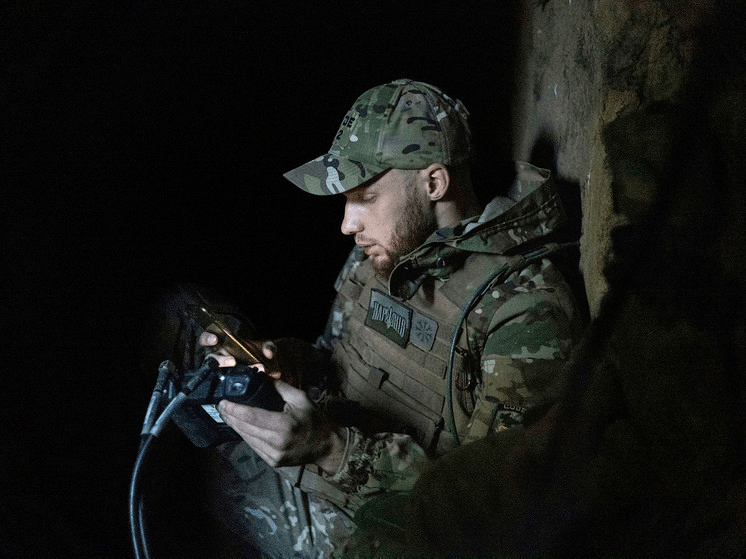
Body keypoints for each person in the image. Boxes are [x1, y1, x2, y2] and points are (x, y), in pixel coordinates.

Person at [157, 78, 584, 557]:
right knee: (184, 312)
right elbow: (335, 361)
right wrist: (281, 364)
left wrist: (331, 450)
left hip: (384, 529)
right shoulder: (386, 252)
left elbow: (487, 519)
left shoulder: (524, 311)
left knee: (202, 483)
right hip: (322, 465)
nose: (347, 224)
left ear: (434, 183)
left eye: (364, 197)